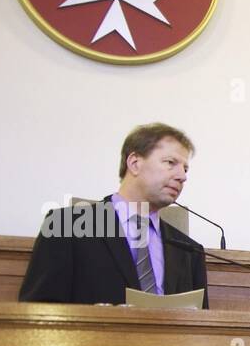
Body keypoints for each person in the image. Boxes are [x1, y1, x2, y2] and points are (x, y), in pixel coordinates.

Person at [19, 123, 208, 307]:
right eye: (170, 163)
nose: (182, 176)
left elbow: (200, 328)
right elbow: (39, 311)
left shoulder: (190, 250)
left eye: (185, 168)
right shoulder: (64, 225)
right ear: (134, 163)